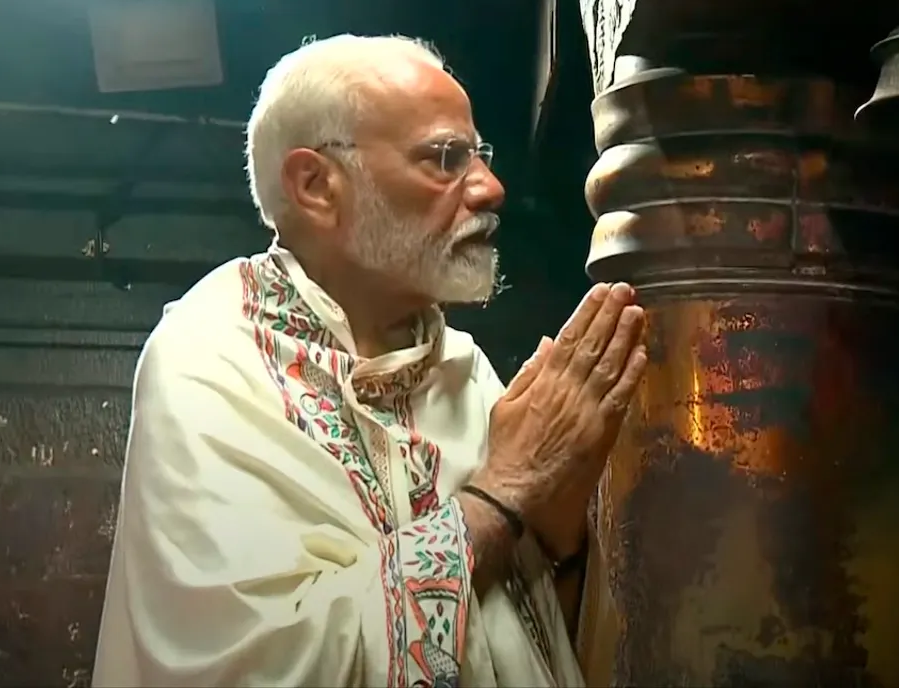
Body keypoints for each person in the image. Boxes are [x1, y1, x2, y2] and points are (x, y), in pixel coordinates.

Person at [91, 34, 647, 687]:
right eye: (445, 158)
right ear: (317, 184)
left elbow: (530, 641)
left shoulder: (463, 371)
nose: (491, 188)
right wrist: (502, 493)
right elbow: (254, 666)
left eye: (481, 157)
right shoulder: (210, 357)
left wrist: (560, 539)